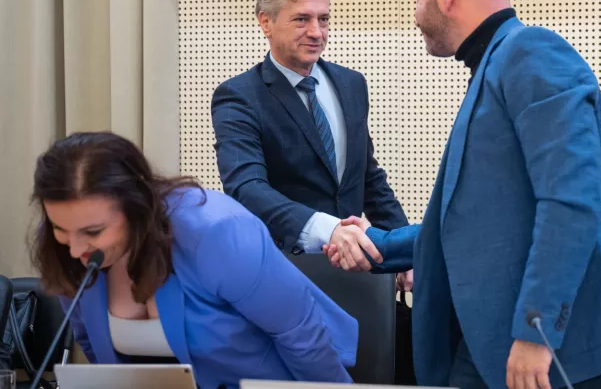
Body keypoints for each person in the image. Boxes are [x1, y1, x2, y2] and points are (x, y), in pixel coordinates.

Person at [328, 0, 601, 389]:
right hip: (493, 347)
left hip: (558, 355)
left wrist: (536, 331)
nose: (416, 14)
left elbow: (571, 204)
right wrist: (379, 243)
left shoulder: (532, 52)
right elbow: (476, 226)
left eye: (417, 0)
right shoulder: (495, 66)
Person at [30, 132, 358, 389]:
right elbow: (92, 345)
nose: (74, 249)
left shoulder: (216, 232)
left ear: (137, 207)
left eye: (93, 231)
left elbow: (300, 335)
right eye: (60, 228)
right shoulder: (69, 241)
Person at [210, 0, 411, 288]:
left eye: (324, 19)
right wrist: (328, 229)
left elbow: (367, 176)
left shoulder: (352, 84)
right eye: (301, 19)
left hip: (358, 273)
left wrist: (404, 250)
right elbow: (246, 188)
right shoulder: (238, 96)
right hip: (281, 275)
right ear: (266, 22)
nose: (317, 32)